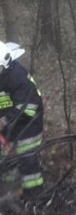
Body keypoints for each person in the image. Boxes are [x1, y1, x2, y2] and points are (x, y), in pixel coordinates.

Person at [0, 41, 44, 199]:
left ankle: (35, 195)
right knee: (6, 162)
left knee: (27, 159)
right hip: (8, 127)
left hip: (28, 125)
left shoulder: (17, 77)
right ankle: (10, 193)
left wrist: (4, 121)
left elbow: (29, 107)